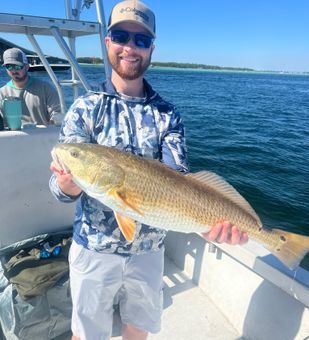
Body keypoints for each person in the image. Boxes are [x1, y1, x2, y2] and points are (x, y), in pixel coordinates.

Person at [49, 1, 248, 339]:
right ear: (108, 41)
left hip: (149, 251)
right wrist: (69, 185)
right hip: (94, 249)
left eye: (141, 41)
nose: (130, 47)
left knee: (138, 330)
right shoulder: (86, 108)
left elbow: (178, 182)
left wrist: (207, 224)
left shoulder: (168, 115)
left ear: (152, 48)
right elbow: (58, 186)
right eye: (121, 36)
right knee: (86, 333)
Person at [0, 47, 64, 127]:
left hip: (42, 137)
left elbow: (58, 115)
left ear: (27, 67)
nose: (13, 70)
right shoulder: (1, 93)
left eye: (17, 67)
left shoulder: (45, 88)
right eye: (9, 66)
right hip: (12, 138)